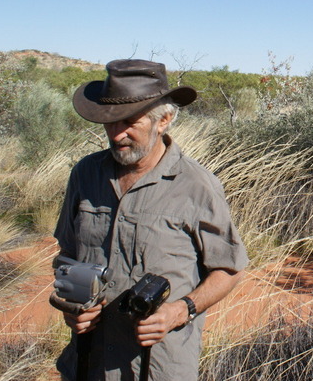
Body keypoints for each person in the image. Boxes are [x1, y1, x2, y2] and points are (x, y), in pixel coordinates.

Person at [51, 59, 249, 381]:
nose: (116, 135)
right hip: (88, 362)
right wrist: (72, 305)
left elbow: (229, 268)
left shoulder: (197, 186)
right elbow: (67, 253)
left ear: (164, 120)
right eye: (109, 122)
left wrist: (180, 310)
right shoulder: (85, 174)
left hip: (158, 367)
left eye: (129, 122)